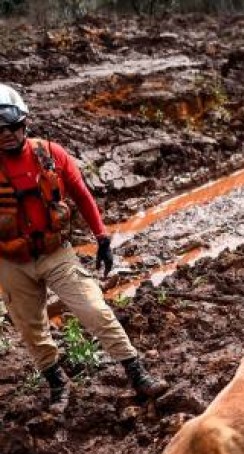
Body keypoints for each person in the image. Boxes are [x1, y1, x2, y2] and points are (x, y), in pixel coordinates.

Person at [0, 84, 168, 414]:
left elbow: (81, 195)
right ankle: (57, 385)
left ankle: (137, 374)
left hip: (55, 253)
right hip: (11, 260)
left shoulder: (51, 155)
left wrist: (102, 238)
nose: (5, 135)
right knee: (31, 330)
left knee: (94, 310)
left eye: (11, 127)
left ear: (24, 125)